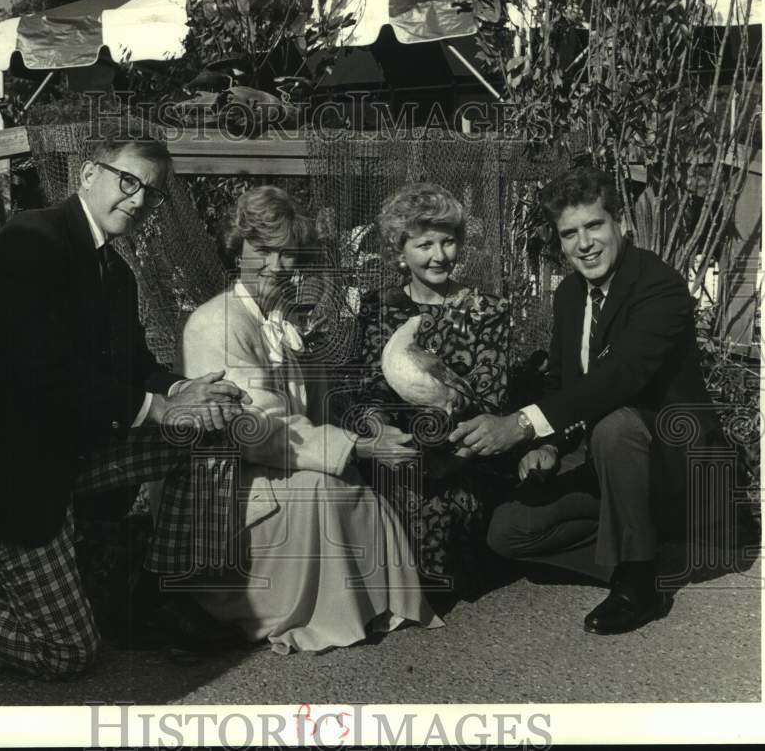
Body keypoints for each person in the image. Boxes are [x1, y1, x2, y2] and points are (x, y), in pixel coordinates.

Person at [0, 132, 249, 678]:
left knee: (209, 429)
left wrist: (182, 393)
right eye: (129, 181)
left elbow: (135, 364)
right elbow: (40, 374)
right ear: (87, 174)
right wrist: (155, 408)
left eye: (152, 192)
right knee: (67, 652)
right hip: (5, 475)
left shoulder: (115, 272)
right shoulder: (31, 241)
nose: (140, 199)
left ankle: (156, 594)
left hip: (70, 457)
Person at [148, 185, 442, 654]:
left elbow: (320, 402)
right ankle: (250, 606)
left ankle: (363, 605)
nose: (274, 266)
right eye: (262, 250)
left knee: (346, 479)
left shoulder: (281, 317)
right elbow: (255, 427)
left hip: (268, 464)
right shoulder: (216, 323)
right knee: (325, 485)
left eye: (286, 254)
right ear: (238, 248)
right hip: (220, 487)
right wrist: (356, 445)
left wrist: (369, 428)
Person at [448, 165, 719, 635]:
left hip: (672, 466)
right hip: (604, 461)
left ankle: (638, 582)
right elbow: (561, 382)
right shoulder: (571, 294)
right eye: (569, 234)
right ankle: (642, 559)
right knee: (509, 532)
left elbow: (621, 377)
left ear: (620, 223)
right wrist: (550, 444)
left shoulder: (660, 286)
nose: (584, 244)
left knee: (617, 424)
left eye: (594, 225)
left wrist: (521, 424)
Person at [353, 182, 513, 599]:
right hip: (396, 450)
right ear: (399, 251)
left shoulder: (487, 310)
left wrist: (451, 462)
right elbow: (368, 388)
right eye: (424, 244)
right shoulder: (379, 307)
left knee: (439, 511)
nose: (439, 255)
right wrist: (379, 437)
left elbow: (491, 397)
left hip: (464, 452)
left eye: (448, 241)